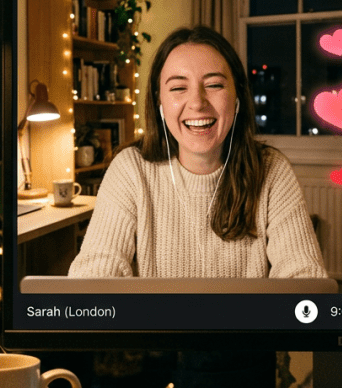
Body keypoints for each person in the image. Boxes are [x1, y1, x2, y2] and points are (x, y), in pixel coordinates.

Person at [69, 26, 328, 279]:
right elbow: (97, 269)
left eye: (214, 85)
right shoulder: (130, 169)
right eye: (178, 88)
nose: (197, 103)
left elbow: (303, 275)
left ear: (237, 97)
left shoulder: (271, 170)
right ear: (160, 102)